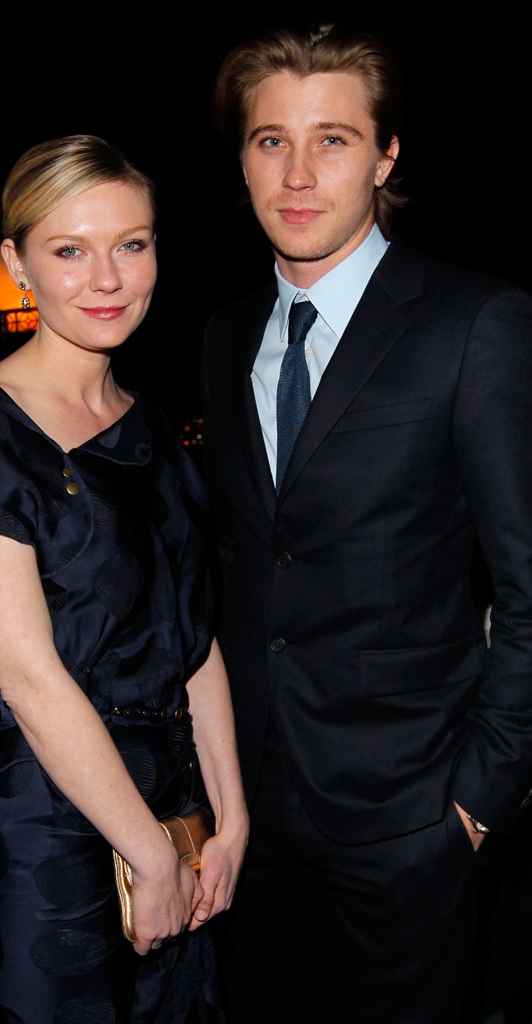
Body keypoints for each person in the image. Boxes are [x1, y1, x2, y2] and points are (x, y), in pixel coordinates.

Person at [201, 20, 532, 1024]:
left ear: (385, 155)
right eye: (270, 141)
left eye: (333, 139)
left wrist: (476, 799)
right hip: (252, 819)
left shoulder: (474, 322)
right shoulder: (221, 339)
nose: (297, 173)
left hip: (411, 818)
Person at [0, 134, 248, 1024]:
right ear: (18, 262)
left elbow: (196, 637)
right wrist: (149, 854)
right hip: (57, 830)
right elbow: (28, 678)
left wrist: (231, 812)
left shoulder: (153, 424)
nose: (107, 277)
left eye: (131, 244)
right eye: (70, 249)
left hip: (178, 810)